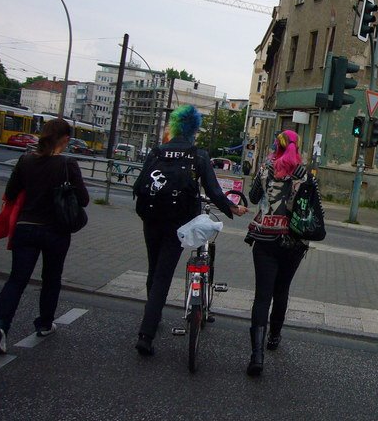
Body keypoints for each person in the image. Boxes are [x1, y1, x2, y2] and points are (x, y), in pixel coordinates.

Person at [132, 105, 247, 356]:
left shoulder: (158, 151)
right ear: (194, 129)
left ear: (174, 127)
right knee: (164, 274)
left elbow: (140, 183)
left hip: (151, 217)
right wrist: (232, 208)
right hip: (178, 221)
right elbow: (214, 190)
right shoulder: (198, 155)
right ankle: (146, 334)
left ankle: (152, 317)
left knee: (154, 269)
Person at [0, 118, 89, 355]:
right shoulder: (68, 164)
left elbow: (11, 193)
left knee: (16, 280)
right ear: (65, 139)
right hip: (56, 231)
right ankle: (45, 323)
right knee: (51, 277)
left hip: (26, 227)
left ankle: (0, 325)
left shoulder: (25, 160)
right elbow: (83, 200)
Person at [244, 129, 321, 376]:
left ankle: (257, 354)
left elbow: (254, 196)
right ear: (296, 147)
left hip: (265, 237)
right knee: (282, 289)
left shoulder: (266, 167)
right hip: (294, 242)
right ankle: (274, 336)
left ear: (276, 146)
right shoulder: (305, 174)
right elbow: (316, 207)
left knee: (262, 296)